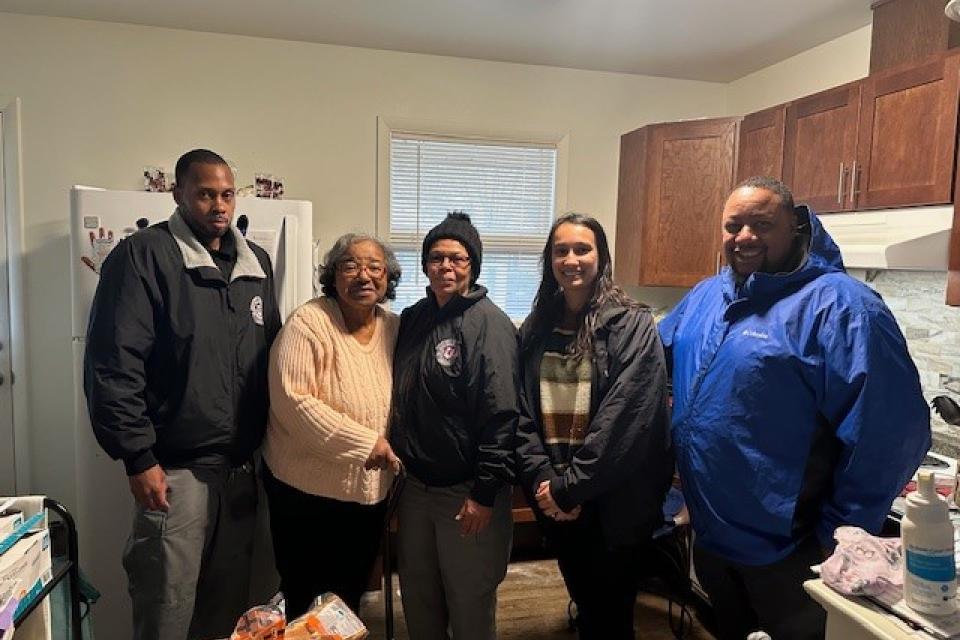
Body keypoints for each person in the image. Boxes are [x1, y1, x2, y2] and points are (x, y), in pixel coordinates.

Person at [658, 176, 931, 640]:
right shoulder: (707, 296)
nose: (744, 237)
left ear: (795, 228)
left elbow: (891, 434)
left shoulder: (843, 308)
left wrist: (839, 536)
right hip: (712, 537)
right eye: (734, 224)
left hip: (792, 552)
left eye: (762, 224)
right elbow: (657, 364)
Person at [84, 148, 282, 640]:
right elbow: (114, 363)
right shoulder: (144, 255)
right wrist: (137, 456)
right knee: (166, 607)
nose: (219, 205)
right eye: (205, 194)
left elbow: (273, 357)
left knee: (228, 607)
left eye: (227, 194)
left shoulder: (255, 261)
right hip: (175, 472)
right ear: (178, 194)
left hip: (242, 469)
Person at [515, 212, 673, 640]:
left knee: (611, 617)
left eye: (582, 248)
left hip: (612, 506)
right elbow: (523, 412)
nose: (571, 259)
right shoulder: (537, 327)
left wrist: (572, 488)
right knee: (588, 607)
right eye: (560, 250)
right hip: (559, 503)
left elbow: (625, 419)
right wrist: (544, 481)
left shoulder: (632, 323)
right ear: (549, 260)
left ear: (601, 257)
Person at [389, 212, 519, 640]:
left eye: (457, 259)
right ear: (425, 264)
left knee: (469, 607)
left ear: (473, 265)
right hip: (414, 490)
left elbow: (502, 416)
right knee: (420, 602)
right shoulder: (413, 319)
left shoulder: (490, 324)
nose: (446, 267)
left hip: (466, 495)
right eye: (436, 257)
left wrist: (483, 493)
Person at [262, 233, 402, 619]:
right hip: (306, 492)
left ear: (388, 277)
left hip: (369, 494)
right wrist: (365, 443)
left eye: (375, 267)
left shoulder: (395, 327)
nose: (364, 276)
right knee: (304, 596)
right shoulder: (309, 323)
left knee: (348, 597)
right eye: (350, 265)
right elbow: (293, 402)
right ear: (333, 276)